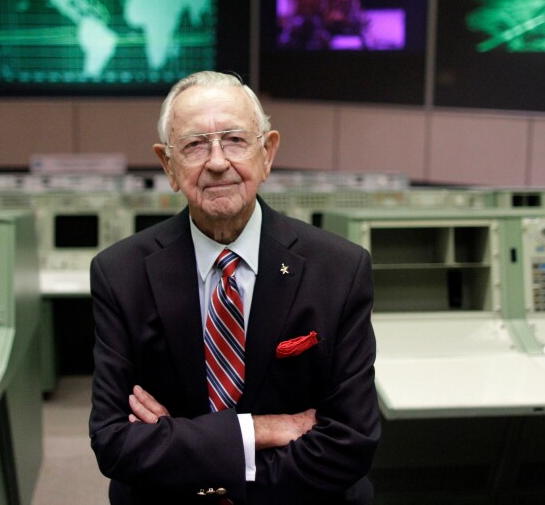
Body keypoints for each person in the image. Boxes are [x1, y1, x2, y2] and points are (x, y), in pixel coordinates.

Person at [89, 70, 381, 504]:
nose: (217, 161)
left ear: (268, 153)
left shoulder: (339, 269)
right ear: (168, 166)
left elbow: (351, 440)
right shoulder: (120, 274)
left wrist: (214, 479)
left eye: (235, 140)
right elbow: (114, 443)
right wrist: (258, 430)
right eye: (193, 145)